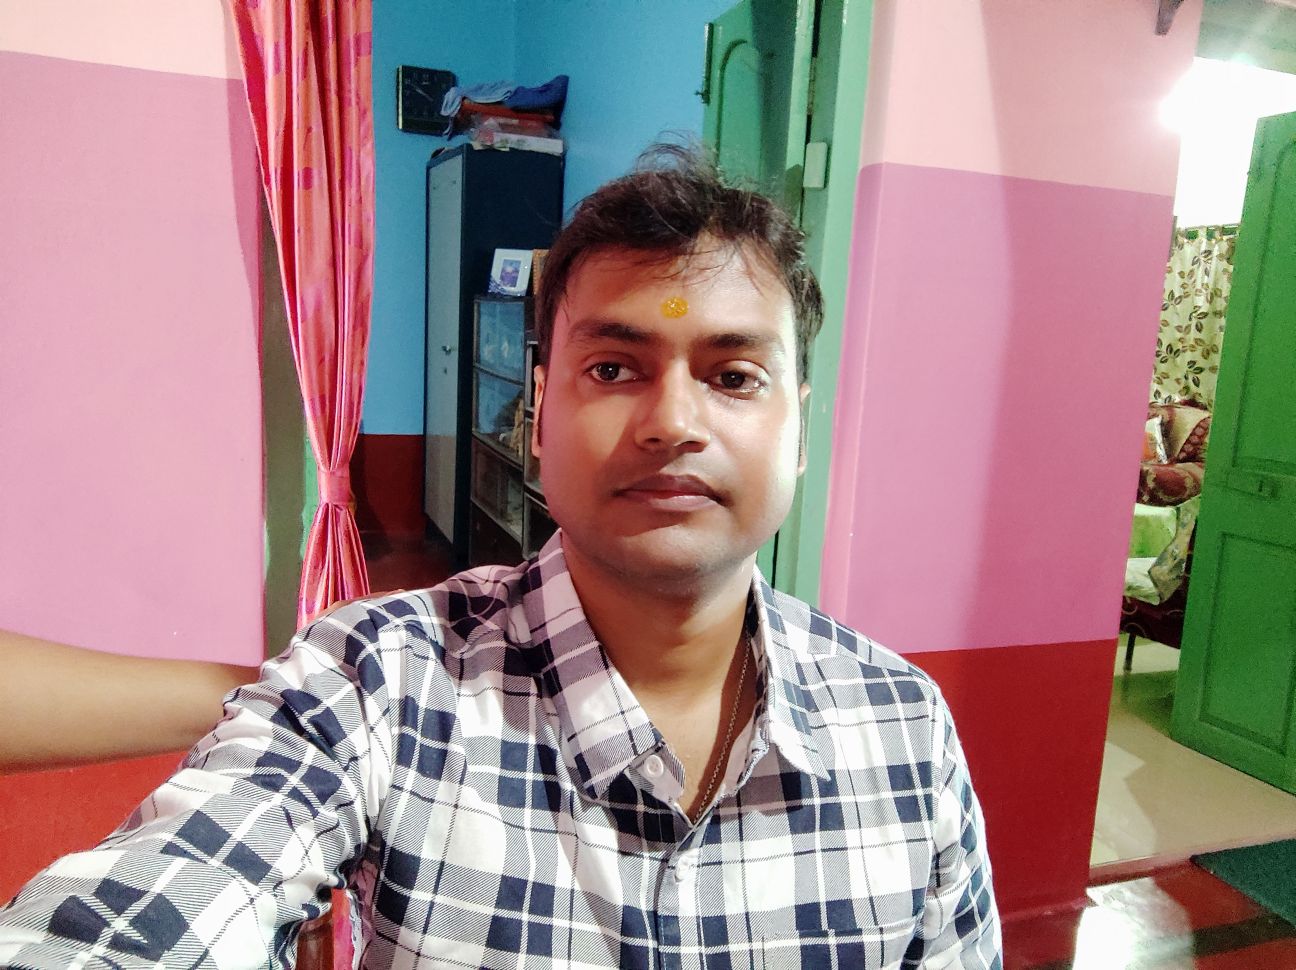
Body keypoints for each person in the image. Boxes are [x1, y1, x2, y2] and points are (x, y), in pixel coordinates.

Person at [0, 146, 1001, 969]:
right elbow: (168, 895)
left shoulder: (905, 730)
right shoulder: (382, 679)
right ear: (536, 414)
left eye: (734, 376)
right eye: (613, 367)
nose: (673, 422)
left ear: (800, 430)